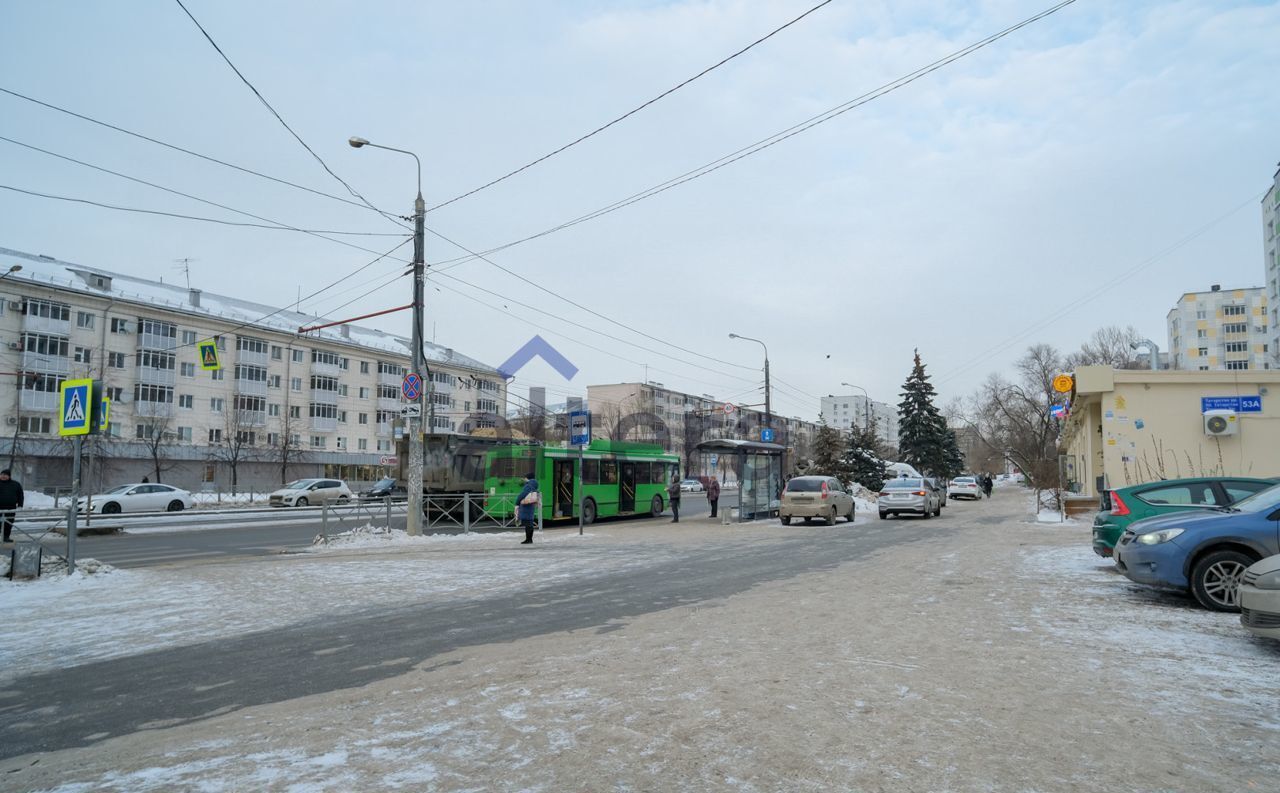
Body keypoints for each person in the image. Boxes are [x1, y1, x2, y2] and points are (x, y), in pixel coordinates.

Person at [0, 469, 24, 544]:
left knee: (8, 523)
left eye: (5, 475)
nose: (3, 476)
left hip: (11, 509)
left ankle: (6, 537)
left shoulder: (15, 484)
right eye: (2, 474)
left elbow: (20, 495)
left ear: (9, 476)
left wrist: (20, 505)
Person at [516, 472, 540, 544]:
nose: (524, 479)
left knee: (527, 523)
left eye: (525, 478)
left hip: (526, 505)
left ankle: (528, 539)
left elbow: (523, 494)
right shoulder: (534, 485)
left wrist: (517, 501)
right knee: (529, 522)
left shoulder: (528, 485)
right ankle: (529, 539)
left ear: (528, 478)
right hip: (530, 505)